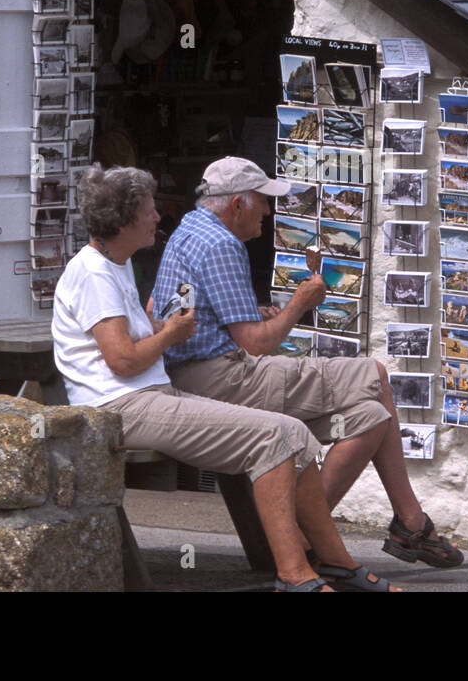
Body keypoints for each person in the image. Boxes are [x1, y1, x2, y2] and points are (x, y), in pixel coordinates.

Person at [53, 164, 400, 591]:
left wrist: (162, 327)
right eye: (148, 210)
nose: (158, 216)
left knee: (293, 435)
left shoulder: (116, 263)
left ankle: (335, 564)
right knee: (277, 437)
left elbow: (130, 339)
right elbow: (123, 361)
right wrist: (171, 335)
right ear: (124, 220)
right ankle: (294, 574)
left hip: (151, 395)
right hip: (121, 408)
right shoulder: (92, 273)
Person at [153, 157, 464, 568]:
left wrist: (253, 313)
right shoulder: (223, 245)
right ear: (237, 204)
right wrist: (299, 304)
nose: (269, 211)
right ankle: (404, 522)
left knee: (370, 415)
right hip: (224, 380)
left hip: (192, 374)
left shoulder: (189, 231)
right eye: (263, 201)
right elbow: (257, 344)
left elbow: (174, 310)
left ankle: (315, 535)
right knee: (373, 373)